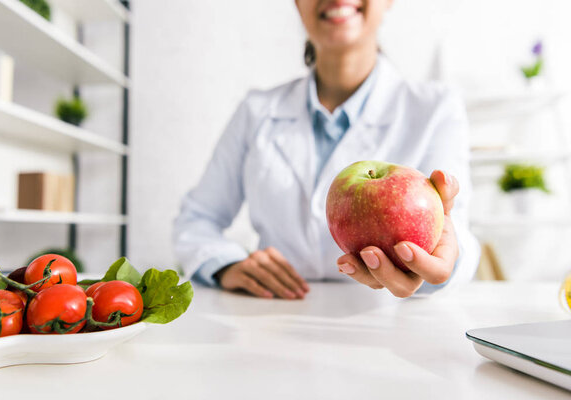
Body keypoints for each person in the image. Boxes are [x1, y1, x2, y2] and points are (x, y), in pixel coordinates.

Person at [173, 0, 480, 299]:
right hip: (273, 316)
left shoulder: (436, 108)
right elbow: (197, 219)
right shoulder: (256, 111)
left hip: (393, 321)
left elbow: (456, 234)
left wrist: (442, 264)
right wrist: (225, 264)